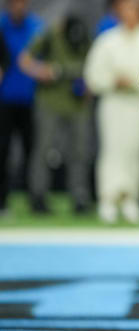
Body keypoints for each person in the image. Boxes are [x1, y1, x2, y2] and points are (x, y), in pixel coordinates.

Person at [84, 0, 139, 224]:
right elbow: (93, 75)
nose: (128, 13)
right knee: (112, 150)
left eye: (133, 9)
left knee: (135, 152)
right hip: (113, 103)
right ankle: (108, 199)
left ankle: (130, 200)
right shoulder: (107, 40)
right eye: (124, 9)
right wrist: (113, 80)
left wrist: (134, 82)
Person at [19, 14, 92, 214]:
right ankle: (38, 196)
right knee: (43, 150)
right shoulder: (51, 35)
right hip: (49, 102)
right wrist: (42, 71)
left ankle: (79, 197)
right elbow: (24, 60)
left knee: (79, 151)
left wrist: (88, 87)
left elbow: (93, 66)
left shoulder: (86, 38)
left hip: (77, 104)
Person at [0, 0, 42, 214]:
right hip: (4, 99)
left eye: (22, 1)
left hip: (32, 99)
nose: (18, 5)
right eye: (14, 1)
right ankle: (2, 201)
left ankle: (34, 200)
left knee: (33, 152)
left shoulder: (37, 27)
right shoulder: (1, 26)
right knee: (2, 151)